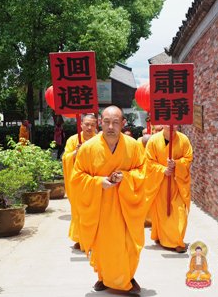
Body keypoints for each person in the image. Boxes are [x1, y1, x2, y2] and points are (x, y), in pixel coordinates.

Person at [71, 106, 146, 294]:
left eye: (115, 122)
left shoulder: (134, 146)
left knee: (129, 245)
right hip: (101, 208)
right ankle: (104, 277)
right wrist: (98, 182)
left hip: (126, 207)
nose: (110, 126)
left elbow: (143, 172)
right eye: (106, 122)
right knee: (105, 247)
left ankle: (127, 276)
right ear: (100, 123)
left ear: (123, 123)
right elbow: (77, 177)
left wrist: (126, 177)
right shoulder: (88, 148)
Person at [145, 125, 193, 253]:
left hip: (178, 183)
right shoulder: (153, 140)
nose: (171, 125)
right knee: (162, 212)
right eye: (168, 122)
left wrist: (176, 164)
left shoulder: (184, 140)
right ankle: (163, 237)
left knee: (179, 211)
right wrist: (163, 170)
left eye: (175, 122)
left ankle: (177, 240)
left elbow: (188, 159)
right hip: (160, 183)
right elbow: (149, 162)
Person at [61, 113, 97, 250]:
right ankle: (80, 239)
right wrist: (76, 153)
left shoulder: (99, 139)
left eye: (92, 125)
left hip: (93, 181)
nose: (89, 127)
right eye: (86, 124)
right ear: (81, 124)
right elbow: (66, 158)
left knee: (94, 211)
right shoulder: (73, 140)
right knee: (78, 211)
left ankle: (94, 238)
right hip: (78, 181)